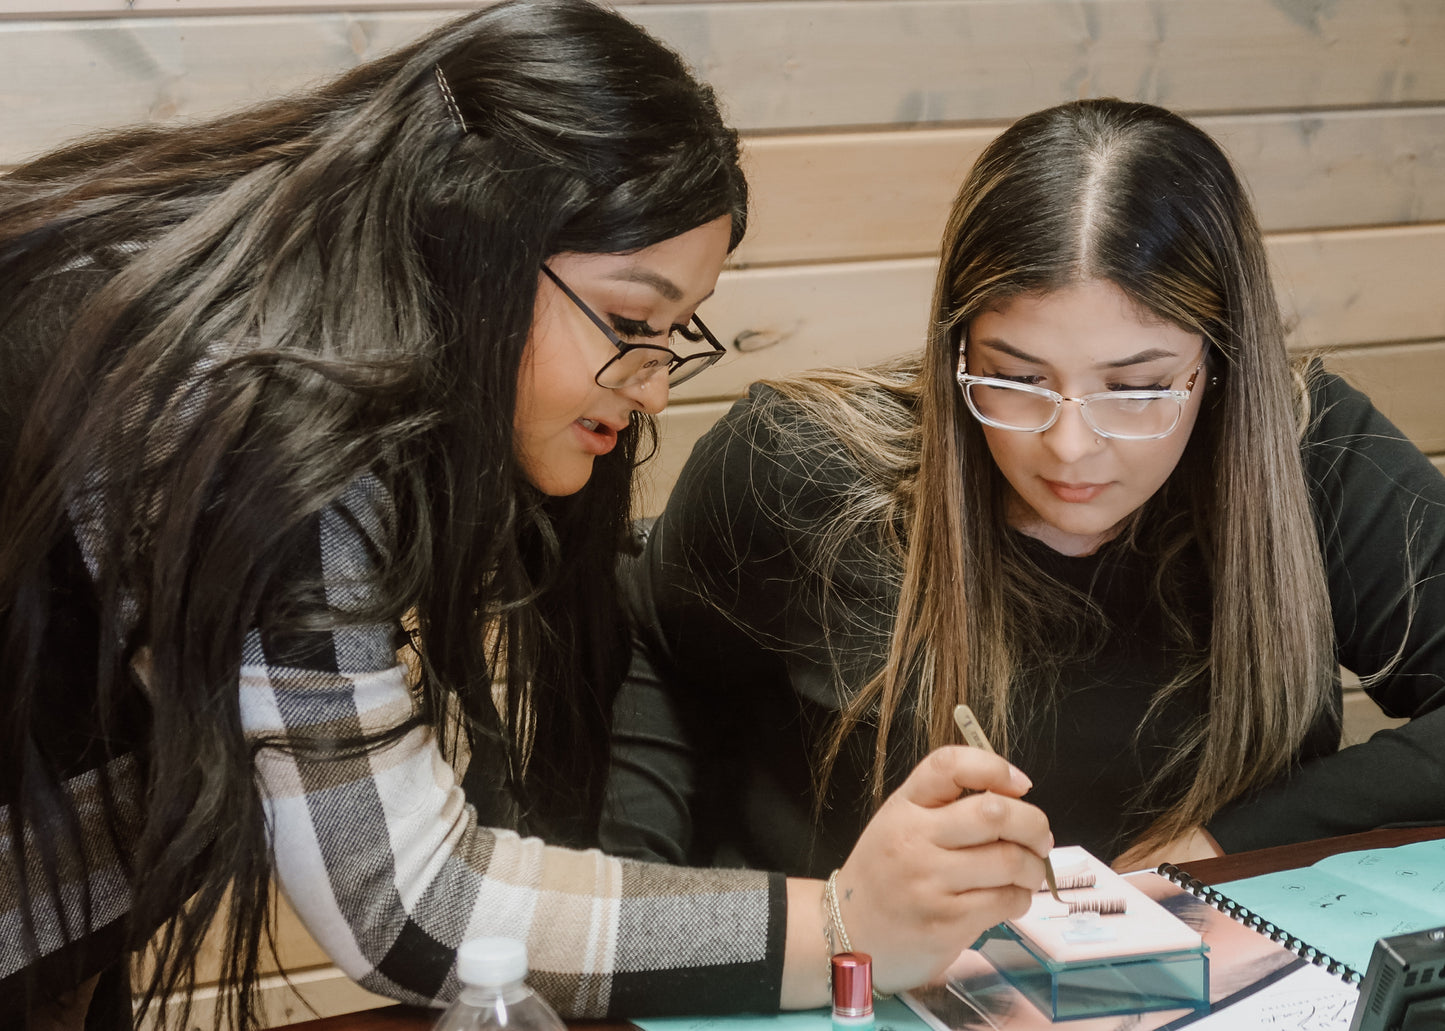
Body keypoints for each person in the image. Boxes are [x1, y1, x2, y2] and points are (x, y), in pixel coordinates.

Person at [0, 2, 1054, 1028]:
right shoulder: (256, 408)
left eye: (677, 333)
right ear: (483, 235)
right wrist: (838, 924)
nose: (649, 386)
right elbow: (409, 903)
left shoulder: (242, 313)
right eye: (634, 321)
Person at [601, 98, 1445, 888]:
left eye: (1139, 389)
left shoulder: (1308, 453)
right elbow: (644, 649)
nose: (1071, 445)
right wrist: (648, 918)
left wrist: (1222, 843)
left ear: (1219, 366)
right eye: (1015, 379)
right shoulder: (798, 464)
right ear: (955, 351)